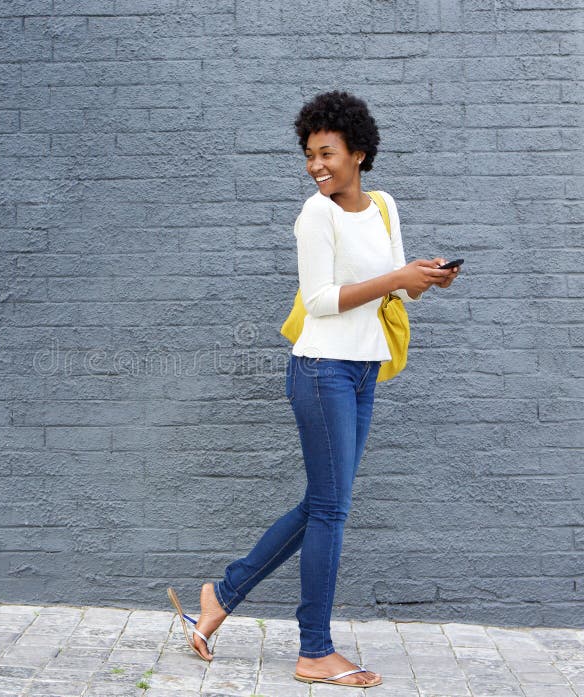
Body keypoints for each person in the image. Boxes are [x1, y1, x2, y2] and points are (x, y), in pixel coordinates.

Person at [168, 91, 460, 688]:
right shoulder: (314, 214)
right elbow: (321, 301)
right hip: (321, 368)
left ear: (358, 153)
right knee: (331, 508)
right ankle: (314, 651)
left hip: (362, 371)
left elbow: (396, 292)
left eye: (326, 153)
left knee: (322, 505)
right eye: (309, 154)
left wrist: (423, 280)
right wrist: (395, 278)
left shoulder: (383, 206)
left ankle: (221, 595)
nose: (316, 165)